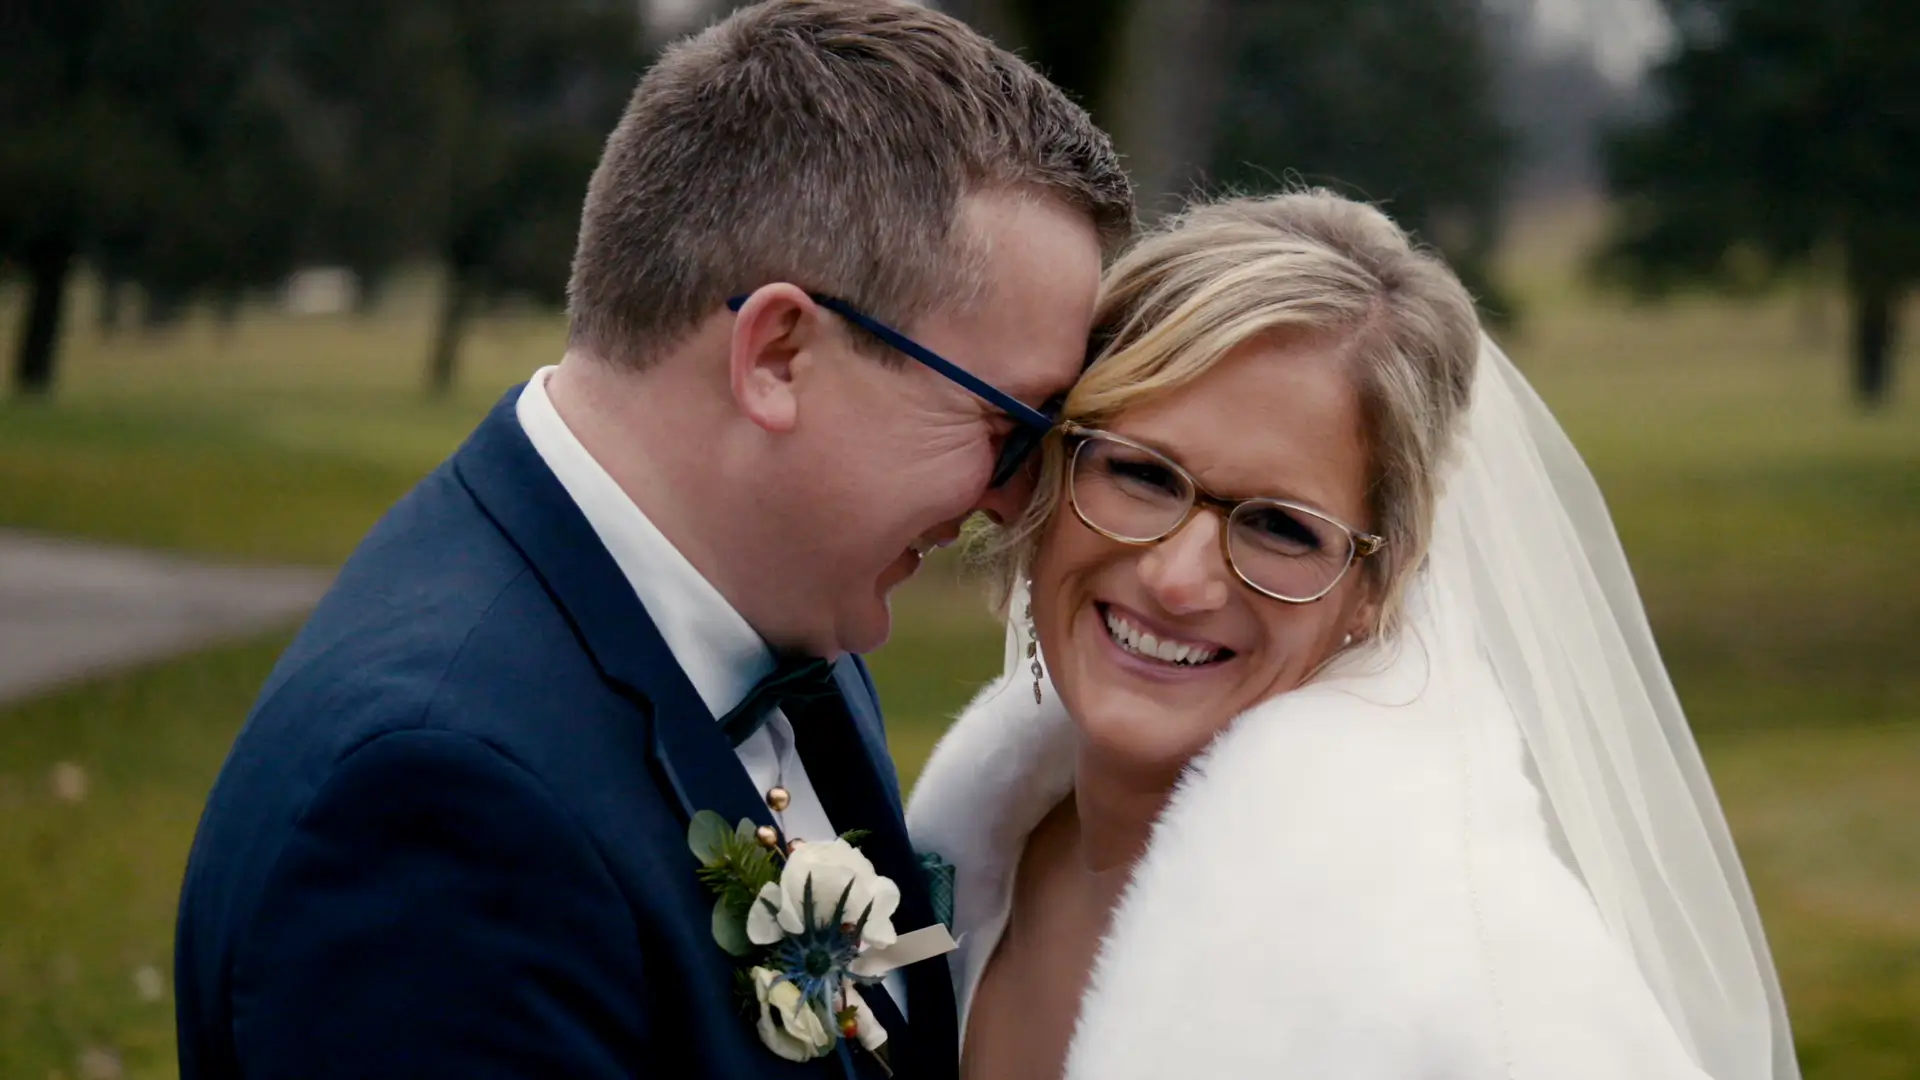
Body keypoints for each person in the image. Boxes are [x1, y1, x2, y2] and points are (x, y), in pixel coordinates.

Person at [172, 2, 1131, 1077]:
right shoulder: (436, 809)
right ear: (777, 354)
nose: (1011, 504)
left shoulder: (787, 612)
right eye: (1009, 428)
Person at [907, 191, 1800, 1080]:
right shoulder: (956, 848)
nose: (1178, 578)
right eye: (1141, 474)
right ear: (1048, 468)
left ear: (1380, 582)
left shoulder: (1483, 982)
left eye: (1281, 528)